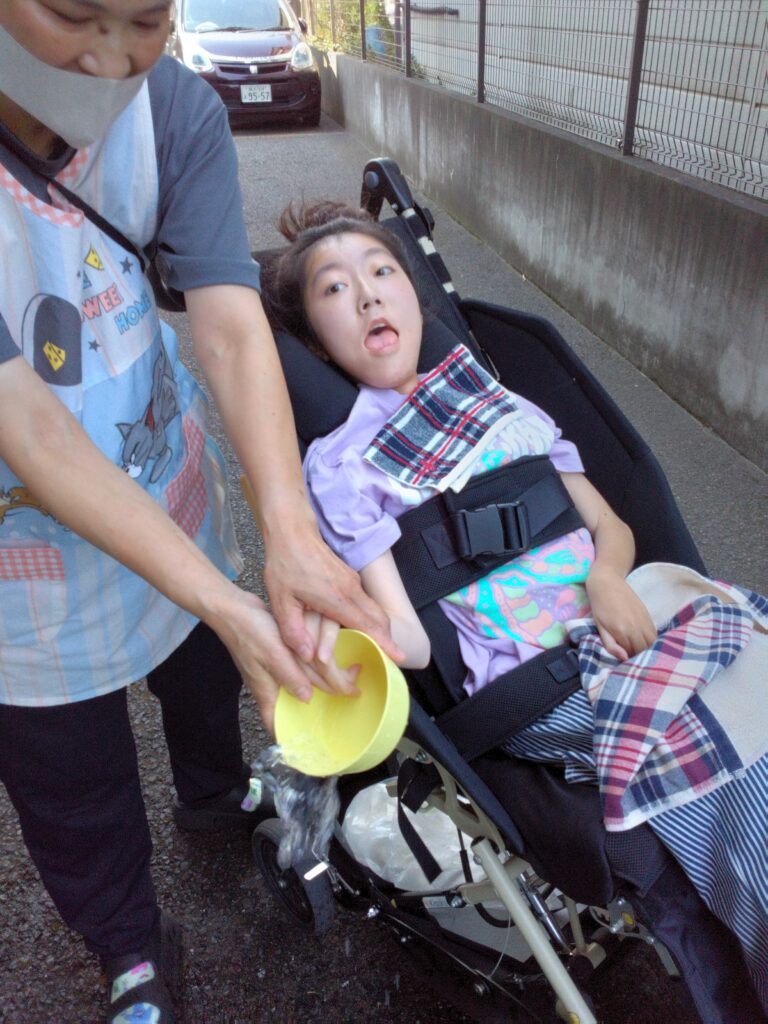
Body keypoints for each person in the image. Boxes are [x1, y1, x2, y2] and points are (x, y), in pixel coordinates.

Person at [262, 199, 768, 1012]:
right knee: (733, 774)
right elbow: (409, 639)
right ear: (316, 342)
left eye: (382, 271)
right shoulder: (343, 464)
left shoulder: (499, 403)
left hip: (628, 620)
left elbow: (610, 526)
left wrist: (607, 579)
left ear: (414, 296)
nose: (367, 293)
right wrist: (336, 635)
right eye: (334, 288)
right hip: (537, 685)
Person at [0, 6, 402, 1024]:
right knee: (68, 768)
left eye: (145, 19)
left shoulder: (175, 109)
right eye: (71, 13)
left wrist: (289, 532)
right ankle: (129, 946)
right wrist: (229, 599)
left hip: (160, 476)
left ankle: (214, 793)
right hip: (21, 559)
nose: (110, 59)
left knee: (205, 664)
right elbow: (31, 431)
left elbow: (227, 323)